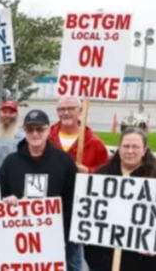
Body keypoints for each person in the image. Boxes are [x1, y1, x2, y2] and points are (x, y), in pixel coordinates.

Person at [84, 128, 156, 271]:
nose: (130, 151)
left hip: (142, 263)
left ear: (144, 150)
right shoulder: (102, 175)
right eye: (126, 146)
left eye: (135, 147)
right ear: (119, 148)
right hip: (102, 260)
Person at [0, 109, 79, 269]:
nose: (35, 134)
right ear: (24, 131)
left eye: (39, 129)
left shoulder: (64, 161)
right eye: (30, 129)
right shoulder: (11, 162)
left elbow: (74, 198)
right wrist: (6, 200)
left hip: (56, 239)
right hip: (19, 239)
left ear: (48, 130)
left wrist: (67, 233)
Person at [48, 96, 109, 271]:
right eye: (61, 109)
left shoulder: (94, 142)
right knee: (48, 257)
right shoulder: (48, 139)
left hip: (77, 210)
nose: (65, 112)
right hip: (49, 207)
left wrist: (89, 171)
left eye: (71, 108)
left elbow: (107, 175)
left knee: (74, 259)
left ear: (80, 111)